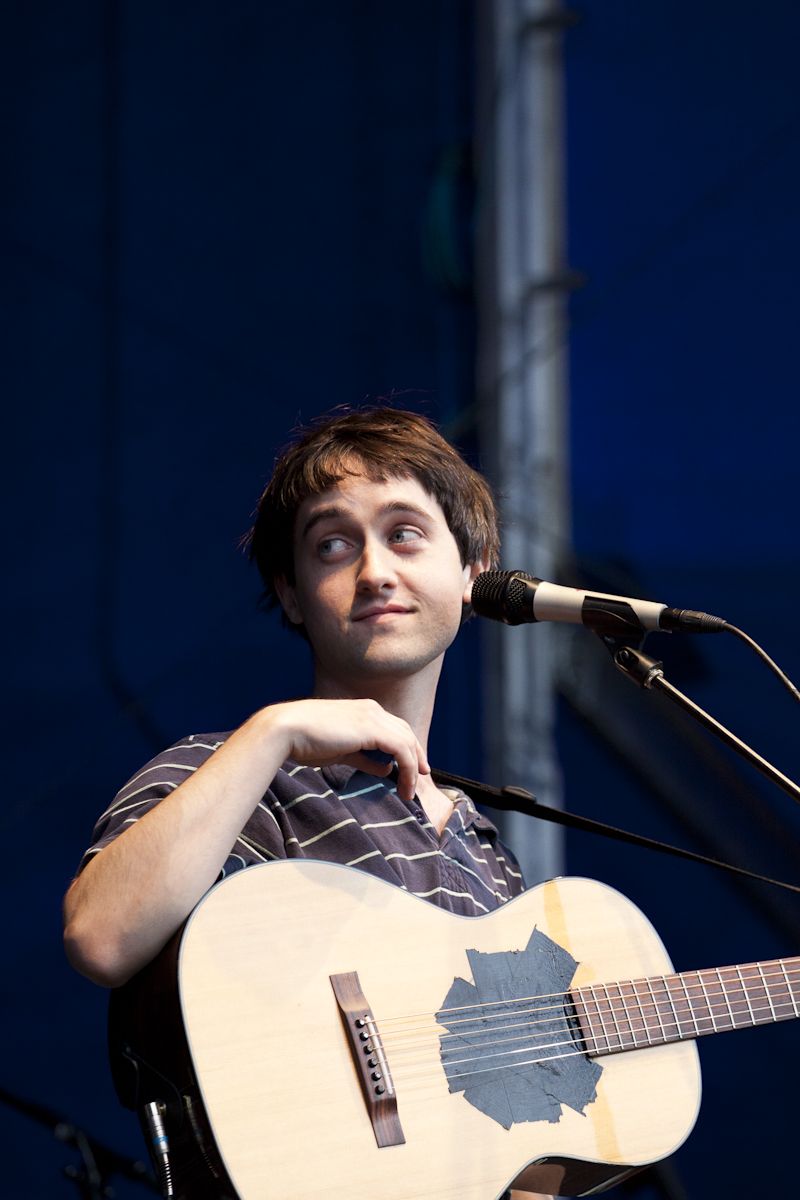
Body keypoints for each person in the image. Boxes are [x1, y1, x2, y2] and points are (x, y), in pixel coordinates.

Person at [63, 406, 551, 1200]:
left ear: (474, 572)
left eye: (405, 535)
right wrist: (275, 732)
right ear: (290, 595)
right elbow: (100, 936)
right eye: (333, 546)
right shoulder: (230, 772)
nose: (375, 571)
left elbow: (507, 1151)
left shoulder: (487, 853)